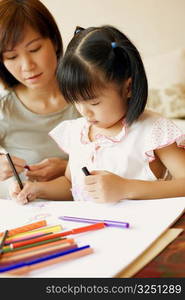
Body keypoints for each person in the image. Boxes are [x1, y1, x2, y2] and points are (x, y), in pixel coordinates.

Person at [10, 25, 185, 204]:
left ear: (128, 88)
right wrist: (39, 189)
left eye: (94, 102)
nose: (84, 111)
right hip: (93, 228)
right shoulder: (78, 132)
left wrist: (125, 187)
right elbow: (71, 184)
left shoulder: (152, 131)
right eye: (76, 101)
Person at [0, 0, 80, 198]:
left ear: (53, 41)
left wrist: (67, 168)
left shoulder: (87, 96)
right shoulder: (4, 108)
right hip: (30, 215)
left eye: (34, 49)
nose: (27, 66)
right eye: (11, 57)